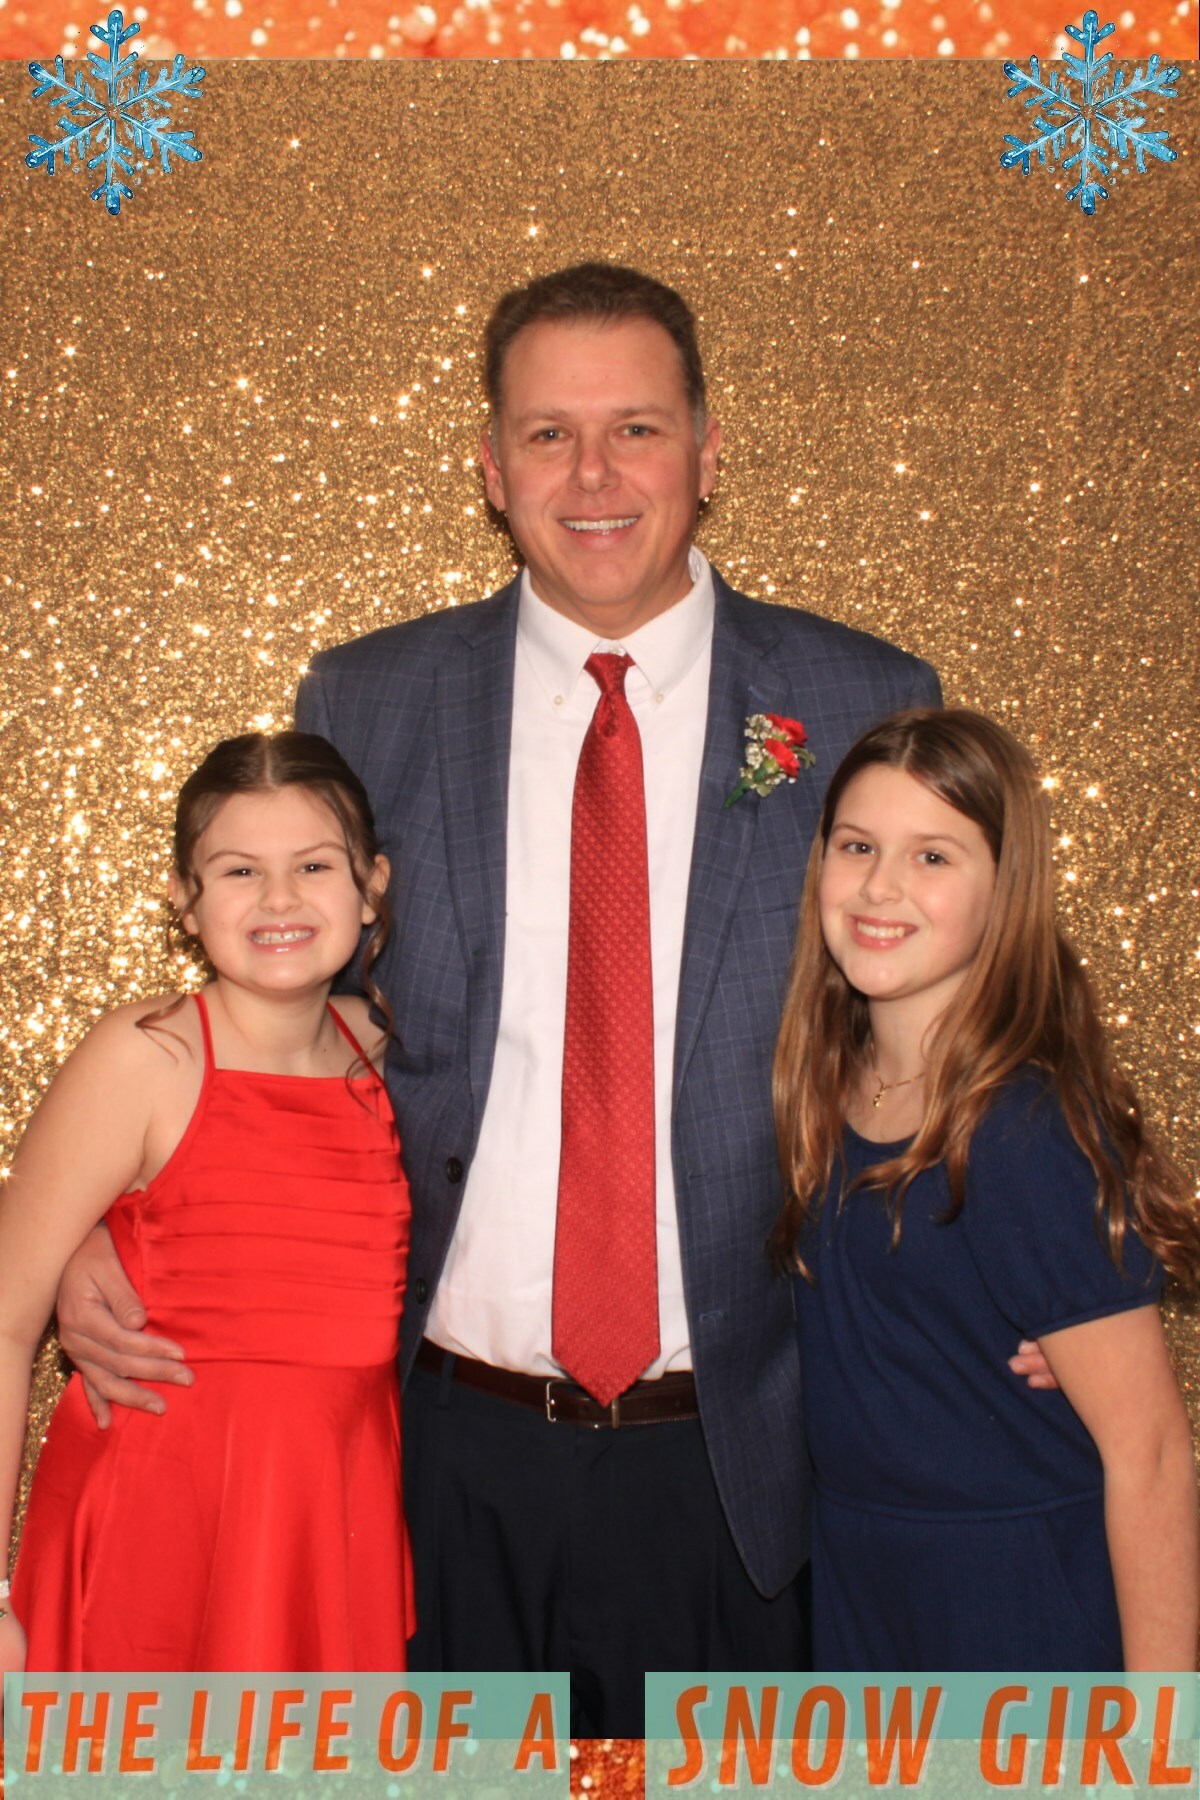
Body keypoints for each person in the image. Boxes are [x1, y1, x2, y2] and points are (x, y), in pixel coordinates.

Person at [55, 264, 1041, 1728]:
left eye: (635, 428)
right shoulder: (369, 699)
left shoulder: (857, 697)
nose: (593, 475)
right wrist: (97, 1227)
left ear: (707, 450)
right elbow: (280, 998)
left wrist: (1014, 1264)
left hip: (745, 1454)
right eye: (547, 434)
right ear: (489, 465)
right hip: (441, 1454)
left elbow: (961, 1007)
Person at [775, 706, 1200, 1668]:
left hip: (1015, 1603)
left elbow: (1151, 1453)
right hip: (864, 1584)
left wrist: (1161, 1730)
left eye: (933, 856)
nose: (880, 885)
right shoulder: (826, 1086)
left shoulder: (1020, 1128)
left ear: (1005, 890)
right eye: (857, 846)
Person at [0, 733, 413, 1677]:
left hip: (329, 1534)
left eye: (314, 865)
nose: (279, 899)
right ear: (183, 900)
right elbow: (5, 1320)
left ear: (372, 885)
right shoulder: (146, 1056)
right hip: (152, 1531)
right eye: (238, 871)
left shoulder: (395, 1049)